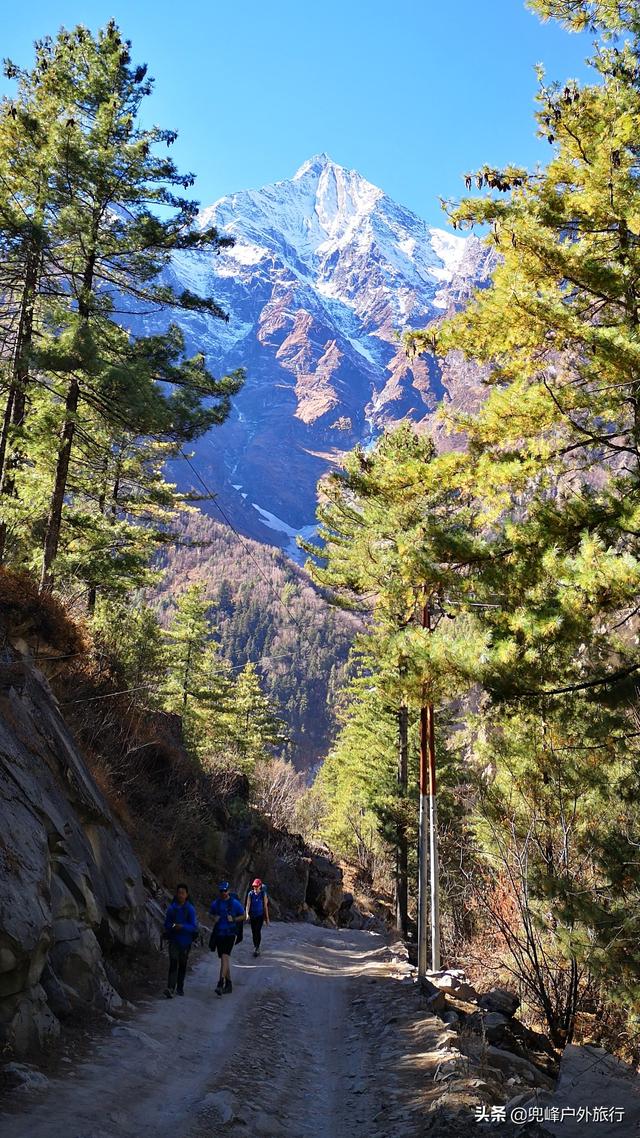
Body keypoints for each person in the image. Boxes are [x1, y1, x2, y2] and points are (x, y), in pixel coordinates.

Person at [209, 881, 244, 996]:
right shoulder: (216, 904)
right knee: (225, 959)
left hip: (230, 934)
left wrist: (233, 919)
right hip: (219, 934)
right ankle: (229, 984)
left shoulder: (234, 903)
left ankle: (220, 983)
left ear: (228, 891)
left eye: (225, 890)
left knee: (225, 956)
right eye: (221, 891)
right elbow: (210, 914)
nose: (223, 893)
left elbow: (244, 916)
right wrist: (214, 918)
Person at [163, 883, 198, 998]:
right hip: (174, 940)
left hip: (185, 941)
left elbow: (193, 926)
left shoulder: (190, 909)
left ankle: (180, 987)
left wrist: (182, 927)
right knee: (173, 963)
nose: (180, 895)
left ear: (187, 895)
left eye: (183, 893)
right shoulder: (172, 908)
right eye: (179, 893)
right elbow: (167, 924)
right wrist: (173, 926)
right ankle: (170, 987)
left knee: (182, 964)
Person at [245, 878, 269, 957]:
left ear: (260, 886)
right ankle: (255, 946)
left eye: (256, 886)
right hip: (253, 916)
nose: (255, 888)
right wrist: (247, 914)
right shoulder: (250, 894)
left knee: (257, 931)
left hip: (260, 916)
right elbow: (248, 904)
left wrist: (267, 918)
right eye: (254, 886)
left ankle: (257, 947)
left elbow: (265, 907)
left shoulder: (263, 894)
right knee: (253, 932)